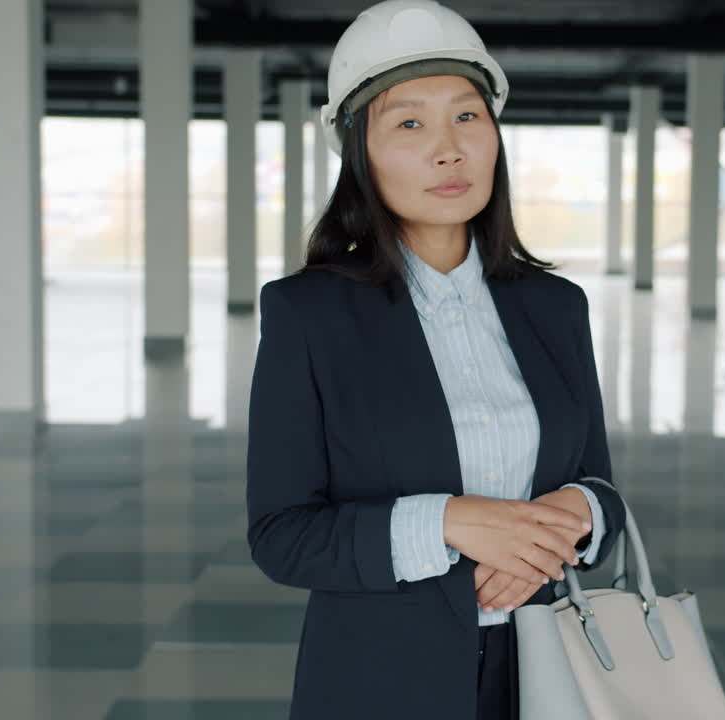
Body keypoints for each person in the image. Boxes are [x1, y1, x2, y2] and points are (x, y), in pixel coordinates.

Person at [245, 1, 625, 717]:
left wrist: (581, 511)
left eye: (467, 117)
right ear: (361, 154)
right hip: (381, 678)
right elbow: (282, 536)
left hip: (543, 672)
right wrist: (451, 520)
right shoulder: (310, 315)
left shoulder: (554, 306)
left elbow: (598, 486)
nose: (447, 149)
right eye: (410, 124)